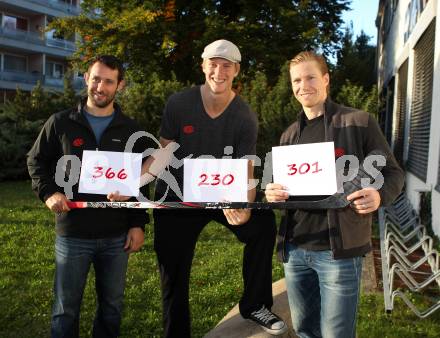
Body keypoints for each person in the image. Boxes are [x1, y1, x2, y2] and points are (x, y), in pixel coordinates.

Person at [152, 39, 287, 337]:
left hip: (219, 195)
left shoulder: (244, 116)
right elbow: (161, 154)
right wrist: (129, 184)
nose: (219, 71)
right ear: (203, 66)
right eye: (213, 64)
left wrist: (245, 207)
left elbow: (246, 170)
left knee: (262, 224)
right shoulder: (178, 103)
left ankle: (254, 305)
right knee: (173, 274)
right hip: (177, 197)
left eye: (226, 65)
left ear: (236, 70)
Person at [265, 51, 404, 338]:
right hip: (295, 248)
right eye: (297, 80)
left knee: (335, 334)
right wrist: (273, 191)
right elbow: (285, 187)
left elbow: (393, 173)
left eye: (311, 77)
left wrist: (378, 195)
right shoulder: (289, 135)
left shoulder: (358, 122)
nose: (304, 85)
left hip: (338, 251)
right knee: (304, 330)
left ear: (326, 79)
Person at [27, 55, 149, 338]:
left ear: (120, 85)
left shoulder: (131, 130)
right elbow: (35, 162)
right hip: (73, 232)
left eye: (109, 81)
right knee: (65, 309)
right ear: (86, 78)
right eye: (96, 78)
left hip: (116, 235)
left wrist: (137, 223)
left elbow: (140, 181)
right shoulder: (60, 123)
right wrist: (49, 193)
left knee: (112, 308)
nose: (101, 86)